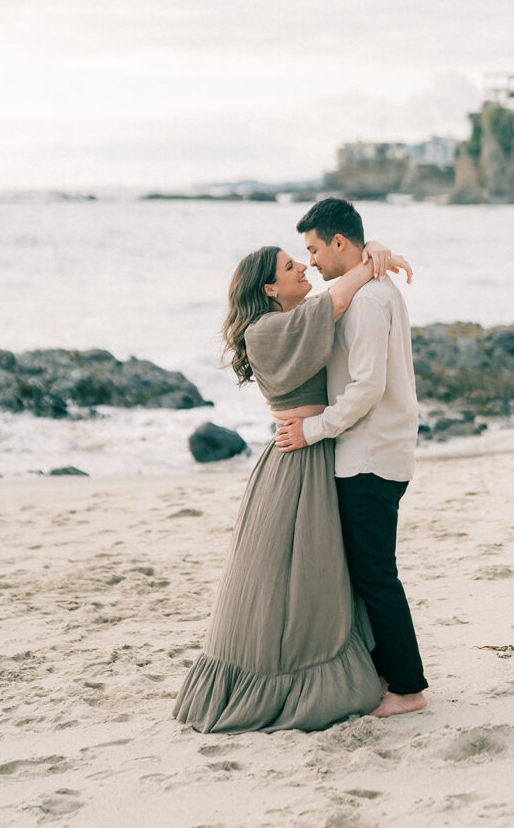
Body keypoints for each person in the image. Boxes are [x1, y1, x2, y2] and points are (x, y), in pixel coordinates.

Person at [173, 240, 412, 733]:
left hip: (320, 448)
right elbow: (338, 297)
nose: (303, 266)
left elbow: (338, 301)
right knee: (287, 577)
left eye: (303, 255)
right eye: (290, 265)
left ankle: (379, 669)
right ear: (268, 288)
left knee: (325, 574)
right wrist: (372, 259)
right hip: (297, 458)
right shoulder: (267, 331)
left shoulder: (295, 320)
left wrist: (373, 250)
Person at [275, 198, 428, 718]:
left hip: (368, 456)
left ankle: (407, 687)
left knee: (375, 575)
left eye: (314, 249)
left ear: (340, 243)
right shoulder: (374, 287)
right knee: (370, 572)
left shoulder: (366, 301)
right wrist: (376, 252)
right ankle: (390, 674)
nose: (312, 261)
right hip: (381, 449)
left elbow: (365, 389)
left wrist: (312, 430)